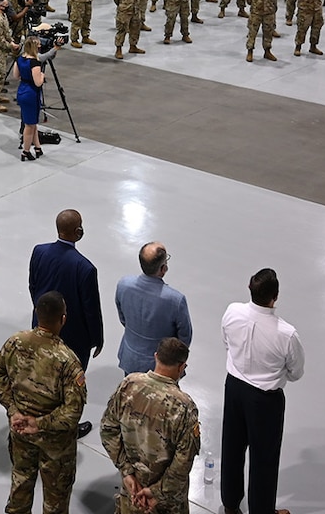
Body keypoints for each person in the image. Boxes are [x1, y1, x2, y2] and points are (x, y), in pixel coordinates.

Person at [0, 291, 87, 514]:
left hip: (20, 431)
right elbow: (73, 411)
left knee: (21, 482)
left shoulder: (16, 342)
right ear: (63, 319)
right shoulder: (67, 361)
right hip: (55, 445)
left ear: (37, 314)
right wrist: (40, 423)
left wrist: (13, 410)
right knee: (56, 498)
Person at [221, 268, 303, 514]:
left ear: (249, 288)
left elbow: (227, 343)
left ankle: (230, 503)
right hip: (265, 400)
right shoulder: (286, 334)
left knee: (232, 447)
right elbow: (296, 372)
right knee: (264, 458)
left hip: (234, 388)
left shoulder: (231, 312)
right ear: (275, 297)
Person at [101, 337, 201, 514]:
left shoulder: (128, 385)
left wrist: (127, 472)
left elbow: (108, 430)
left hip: (132, 492)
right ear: (182, 367)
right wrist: (156, 493)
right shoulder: (184, 407)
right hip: (166, 503)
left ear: (156, 357)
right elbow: (183, 463)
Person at [28, 209, 103, 437]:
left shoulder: (39, 252)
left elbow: (33, 285)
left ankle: (43, 415)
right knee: (70, 385)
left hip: (41, 325)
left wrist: (42, 314)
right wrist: (96, 339)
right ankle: (66, 426)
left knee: (43, 374)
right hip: (72, 337)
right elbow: (91, 309)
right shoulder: (85, 268)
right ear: (77, 232)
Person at [115, 242, 192, 375]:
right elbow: (184, 337)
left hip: (130, 358)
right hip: (161, 367)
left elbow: (123, 319)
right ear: (163, 269)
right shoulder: (175, 300)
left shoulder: (123, 284)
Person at [15, 36, 50, 161]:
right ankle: (26, 151)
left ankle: (38, 148)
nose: (40, 46)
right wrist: (42, 75)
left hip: (22, 91)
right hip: (31, 94)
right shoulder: (34, 63)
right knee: (29, 126)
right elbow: (38, 83)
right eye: (39, 45)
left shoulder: (19, 59)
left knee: (32, 123)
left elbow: (16, 75)